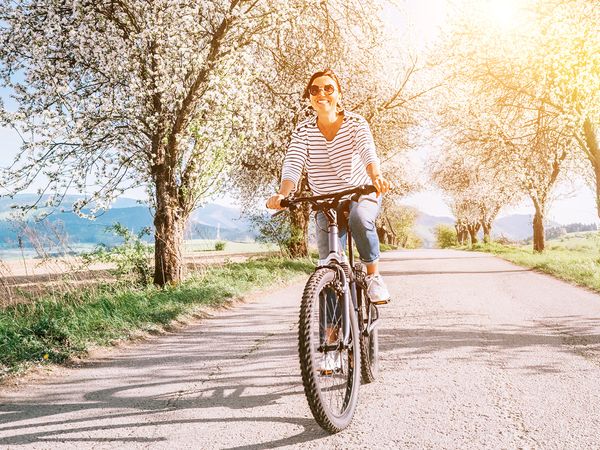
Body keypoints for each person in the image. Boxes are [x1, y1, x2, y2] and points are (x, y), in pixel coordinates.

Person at [266, 68, 391, 305]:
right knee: (328, 262)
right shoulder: (303, 130)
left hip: (360, 191)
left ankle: (374, 276)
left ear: (339, 95)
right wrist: (282, 193)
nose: (321, 93)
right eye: (315, 90)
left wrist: (376, 177)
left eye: (328, 88)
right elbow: (293, 161)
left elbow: (367, 151)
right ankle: (330, 331)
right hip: (325, 200)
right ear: (309, 97)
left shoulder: (356, 123)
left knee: (360, 218)